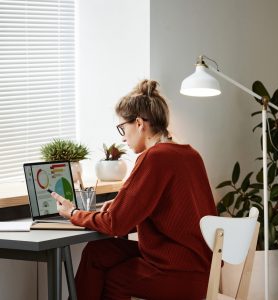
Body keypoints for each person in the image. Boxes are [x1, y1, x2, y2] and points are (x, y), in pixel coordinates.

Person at [51, 79, 217, 300]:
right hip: (198, 266)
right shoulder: (190, 154)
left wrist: (73, 213)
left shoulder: (155, 157)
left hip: (177, 272)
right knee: (98, 252)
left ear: (139, 123)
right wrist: (119, 207)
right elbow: (163, 207)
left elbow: (115, 223)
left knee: (116, 278)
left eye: (123, 127)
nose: (122, 136)